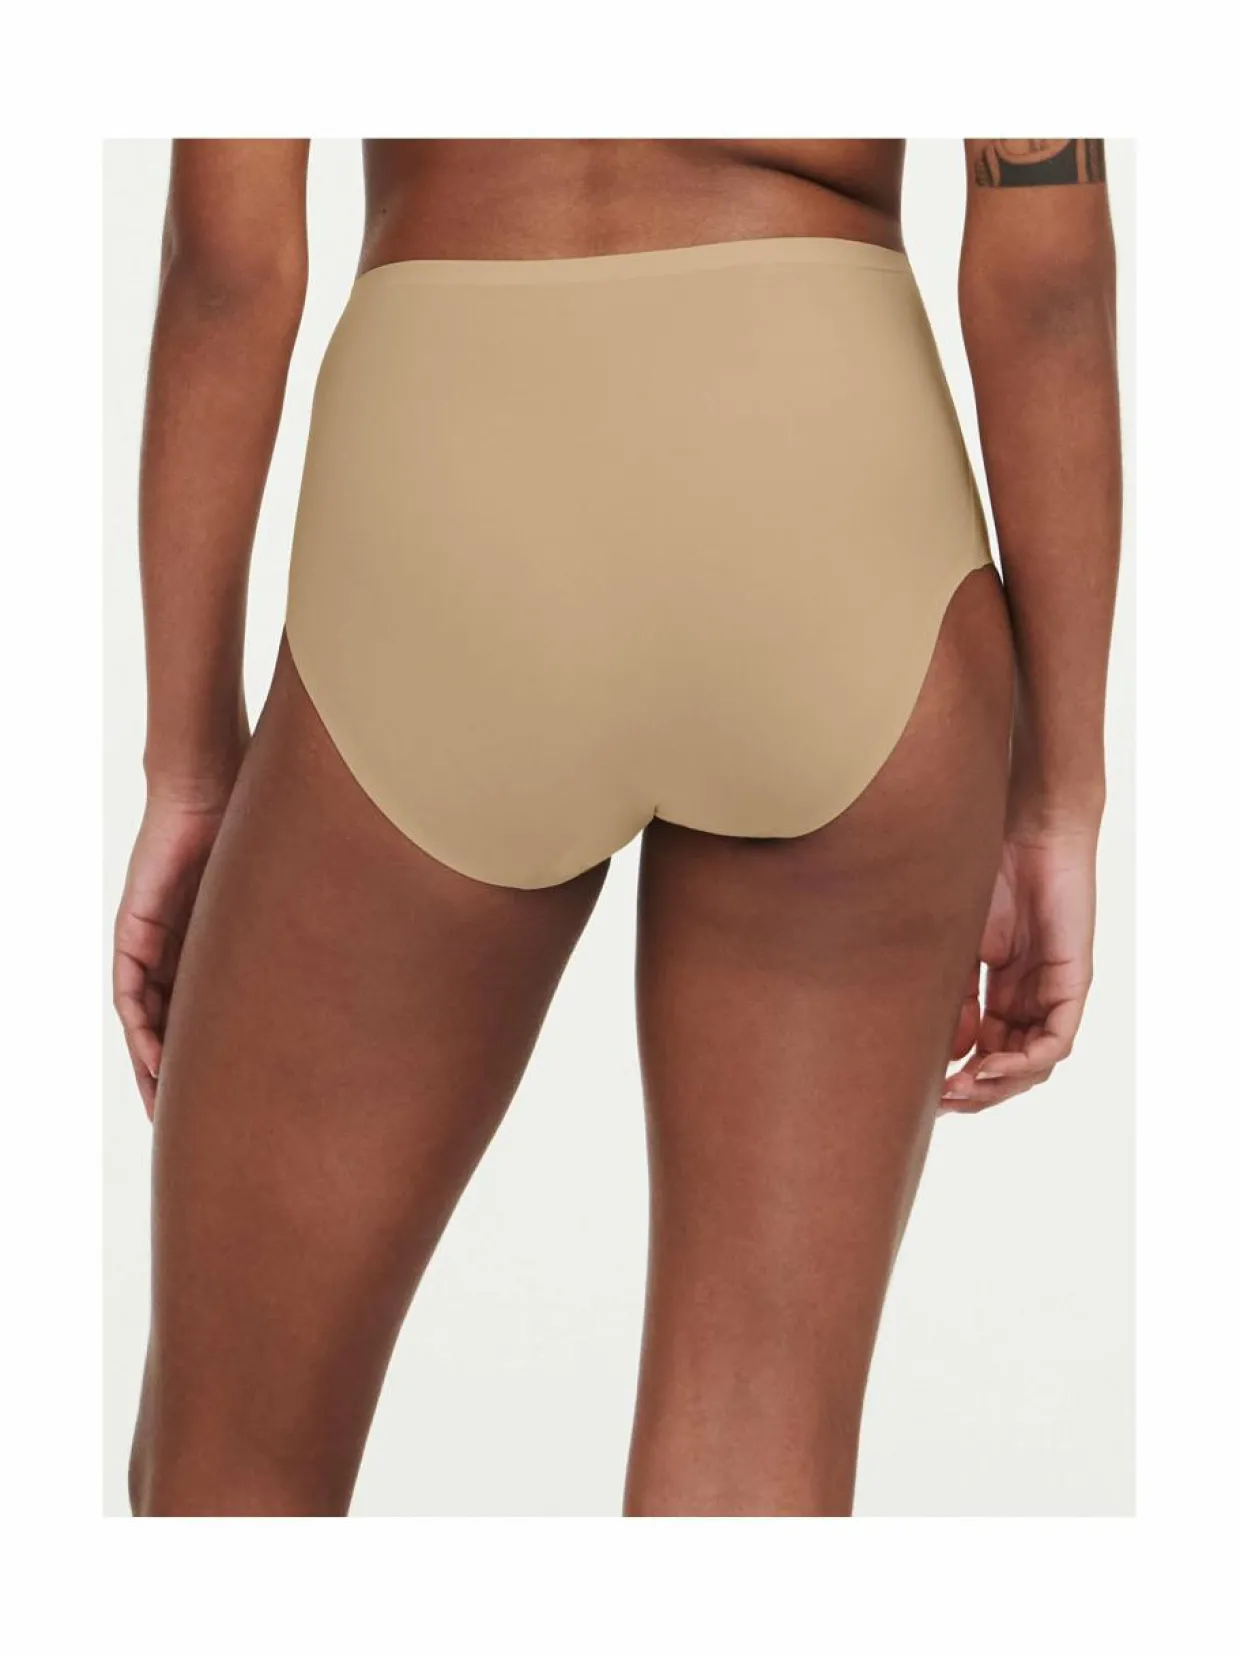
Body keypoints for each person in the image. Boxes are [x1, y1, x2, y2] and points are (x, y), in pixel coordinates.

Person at [113, 139, 1120, 1516]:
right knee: (756, 1441)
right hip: (837, 500)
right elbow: (1048, 271)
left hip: (455, 496)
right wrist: (1057, 793)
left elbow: (228, 266)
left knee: (228, 1463)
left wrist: (187, 765)